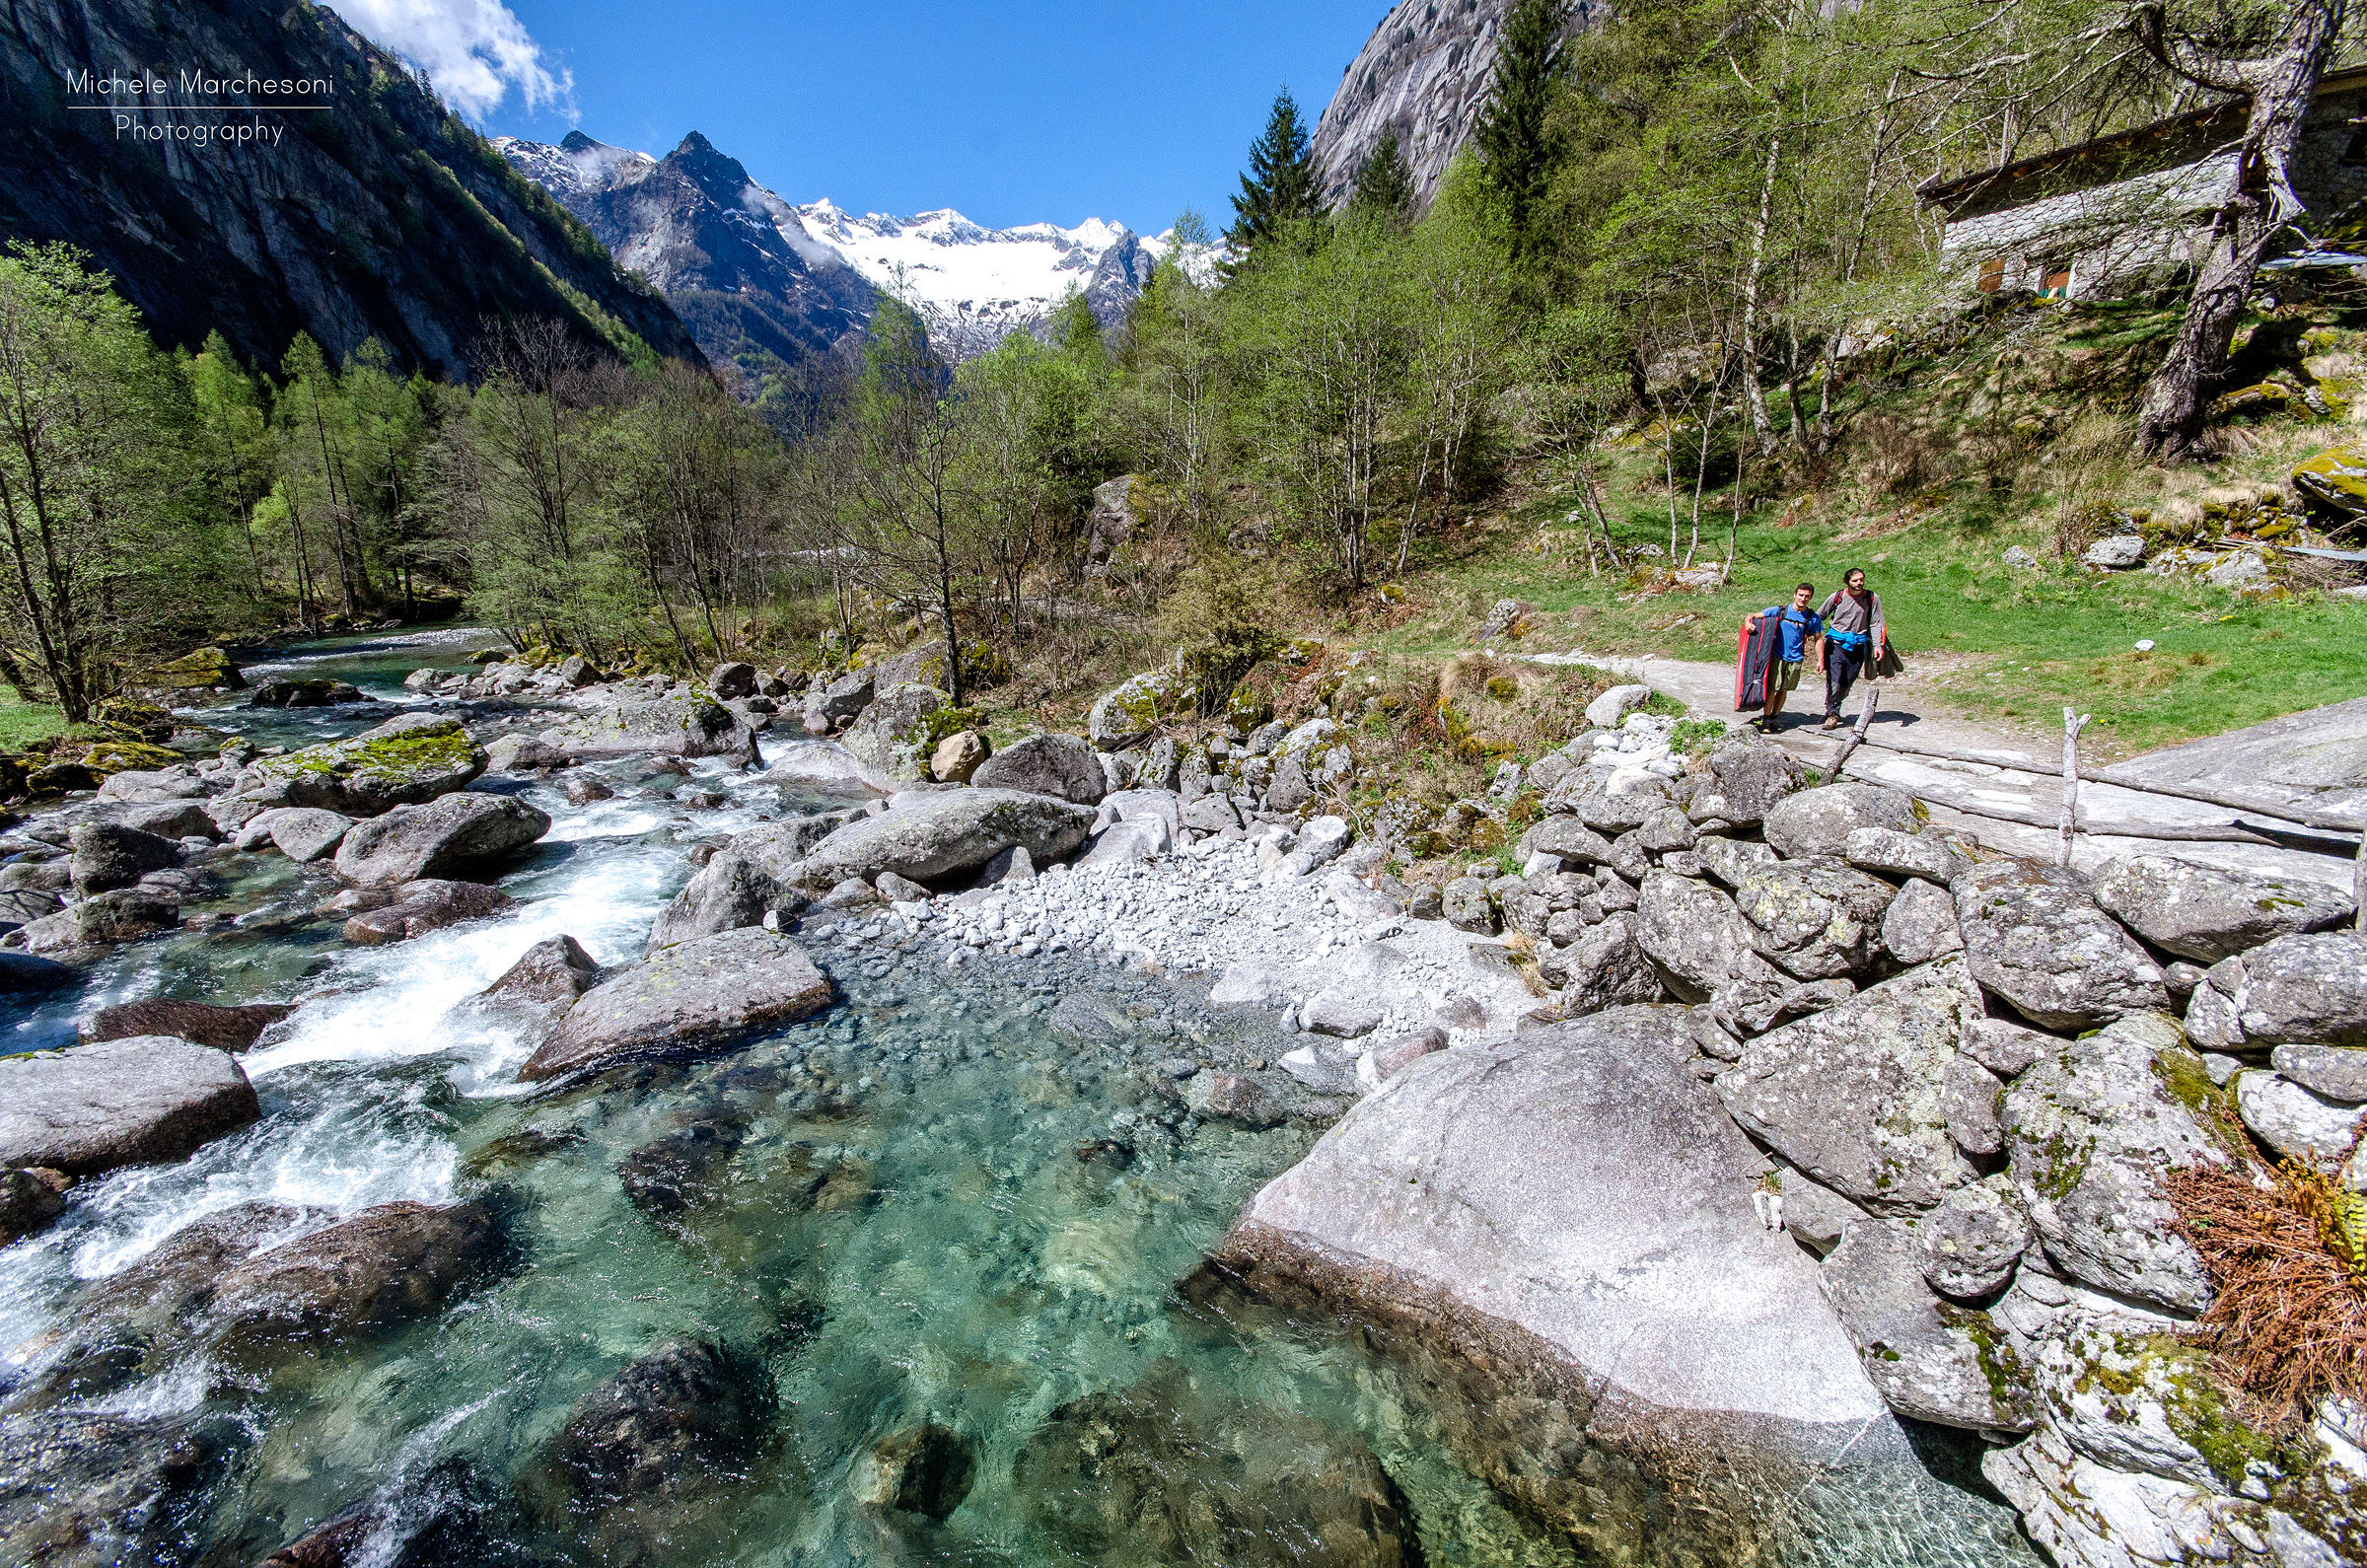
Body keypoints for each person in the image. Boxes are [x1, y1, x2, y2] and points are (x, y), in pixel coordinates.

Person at [1745, 582, 1823, 731]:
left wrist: (1821, 660)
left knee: (1784, 689)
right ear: (1795, 594)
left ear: (1811, 598)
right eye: (1801, 595)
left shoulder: (1812, 618)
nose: (1803, 598)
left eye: (1807, 596)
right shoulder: (1780, 611)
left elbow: (1818, 639)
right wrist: (1748, 623)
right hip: (1777, 655)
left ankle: (1774, 718)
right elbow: (1753, 615)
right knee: (1772, 688)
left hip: (1796, 658)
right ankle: (1766, 719)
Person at [1817, 568, 1887, 730]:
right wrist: (1812, 634)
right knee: (1834, 680)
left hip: (1858, 645)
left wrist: (1877, 645)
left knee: (1847, 683)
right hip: (1835, 644)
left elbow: (1876, 623)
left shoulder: (1871, 598)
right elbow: (1820, 616)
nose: (1859, 583)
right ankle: (1832, 714)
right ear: (1847, 581)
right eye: (1855, 580)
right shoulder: (1837, 597)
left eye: (1861, 579)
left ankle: (1834, 702)